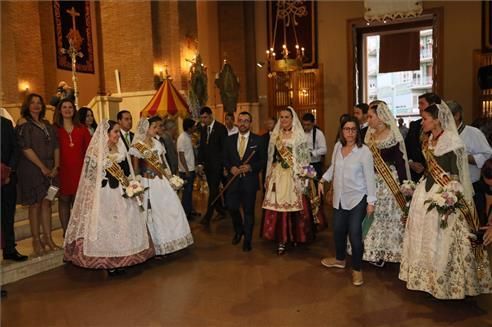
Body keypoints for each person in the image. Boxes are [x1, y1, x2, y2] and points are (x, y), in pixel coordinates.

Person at [399, 103, 492, 299]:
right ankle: (425, 279)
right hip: (425, 192)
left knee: (443, 238)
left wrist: (449, 196)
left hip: (444, 194)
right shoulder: (428, 139)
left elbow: (456, 174)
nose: (421, 122)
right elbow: (429, 168)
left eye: (425, 119)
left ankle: (446, 281)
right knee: (422, 235)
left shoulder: (452, 141)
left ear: (437, 120)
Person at [64, 120, 154, 274]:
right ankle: (110, 261)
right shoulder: (96, 151)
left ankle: (124, 257)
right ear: (106, 133)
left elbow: (127, 170)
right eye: (116, 132)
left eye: (119, 132)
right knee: (107, 225)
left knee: (123, 223)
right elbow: (89, 175)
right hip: (104, 193)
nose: (118, 135)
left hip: (121, 191)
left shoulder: (121, 147)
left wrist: (132, 185)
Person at [318, 116, 376, 286]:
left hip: (358, 198)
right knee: (337, 230)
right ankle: (340, 259)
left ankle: (357, 270)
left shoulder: (364, 152)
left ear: (357, 132)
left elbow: (370, 179)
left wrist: (371, 202)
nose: (350, 133)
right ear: (342, 131)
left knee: (355, 234)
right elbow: (333, 168)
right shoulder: (337, 147)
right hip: (339, 198)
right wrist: (323, 179)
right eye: (346, 129)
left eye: (353, 129)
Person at [357, 101, 410, 267]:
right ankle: (371, 251)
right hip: (370, 181)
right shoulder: (368, 134)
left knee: (387, 217)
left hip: (388, 183)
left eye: (371, 116)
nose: (368, 119)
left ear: (380, 117)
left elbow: (401, 162)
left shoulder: (392, 135)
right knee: (371, 216)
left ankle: (388, 252)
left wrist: (405, 184)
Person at [130, 117, 194, 255]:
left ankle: (172, 241)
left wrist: (170, 178)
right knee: (153, 215)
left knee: (171, 209)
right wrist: (136, 183)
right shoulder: (137, 146)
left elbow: (163, 163)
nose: (157, 129)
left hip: (161, 182)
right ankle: (156, 246)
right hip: (147, 182)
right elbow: (135, 169)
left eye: (157, 127)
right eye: (154, 127)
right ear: (146, 129)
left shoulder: (158, 143)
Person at [262, 106, 315, 255]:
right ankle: (281, 240)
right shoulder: (275, 135)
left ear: (292, 119)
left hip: (294, 175)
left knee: (296, 207)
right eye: (282, 117)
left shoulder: (299, 135)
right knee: (279, 208)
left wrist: (305, 178)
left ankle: (296, 236)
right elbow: (271, 158)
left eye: (287, 117)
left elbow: (305, 158)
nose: (284, 120)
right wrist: (268, 176)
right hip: (278, 175)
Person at [16, 93, 60, 257]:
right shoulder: (23, 124)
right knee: (35, 204)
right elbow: (25, 148)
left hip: (50, 168)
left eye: (39, 103)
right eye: (32, 103)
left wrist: (56, 165)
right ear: (27, 105)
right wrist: (42, 167)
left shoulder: (47, 125)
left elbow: (56, 146)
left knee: (47, 203)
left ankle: (48, 238)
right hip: (32, 168)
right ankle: (36, 240)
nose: (36, 105)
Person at [223, 112, 265, 252]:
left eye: (246, 121)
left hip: (249, 182)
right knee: (231, 207)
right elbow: (225, 158)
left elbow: (264, 161)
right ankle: (238, 229)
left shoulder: (258, 141)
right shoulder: (229, 140)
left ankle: (247, 239)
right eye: (240, 120)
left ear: (250, 123)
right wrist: (230, 168)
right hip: (233, 181)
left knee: (248, 211)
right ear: (237, 122)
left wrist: (251, 167)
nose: (243, 123)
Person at [448, 100, 492, 225]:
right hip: (450, 188)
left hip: (473, 187)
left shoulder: (474, 133)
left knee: (473, 225)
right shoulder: (443, 134)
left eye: (447, 115)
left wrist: (464, 157)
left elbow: (488, 156)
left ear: (457, 115)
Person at [53, 99, 91, 235]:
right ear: (59, 110)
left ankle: (77, 233)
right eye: (64, 107)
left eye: (70, 107)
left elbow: (89, 151)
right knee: (63, 200)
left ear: (74, 110)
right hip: (62, 170)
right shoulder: (54, 129)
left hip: (79, 171)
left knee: (77, 202)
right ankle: (66, 233)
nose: (67, 109)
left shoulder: (82, 129)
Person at [1, 116, 28, 261]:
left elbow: (15, 148)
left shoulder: (5, 123)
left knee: (7, 215)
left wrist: (8, 170)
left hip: (7, 179)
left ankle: (9, 249)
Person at [197, 106, 228, 227]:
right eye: (202, 118)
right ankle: (221, 210)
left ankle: (207, 217)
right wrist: (200, 163)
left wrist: (225, 165)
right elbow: (202, 148)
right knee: (213, 190)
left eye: (205, 117)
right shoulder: (204, 130)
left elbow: (225, 149)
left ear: (211, 116)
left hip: (218, 166)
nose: (203, 120)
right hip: (208, 167)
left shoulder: (221, 128)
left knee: (213, 191)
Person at [405, 92, 441, 182]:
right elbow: (406, 148)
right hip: (414, 177)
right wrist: (410, 163)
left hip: (436, 177)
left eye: (422, 104)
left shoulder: (442, 130)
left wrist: (425, 167)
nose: (419, 107)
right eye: (418, 104)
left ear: (432, 105)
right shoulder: (414, 125)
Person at [178, 118, 198, 219]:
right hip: (186, 171)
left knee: (190, 192)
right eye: (193, 126)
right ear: (189, 128)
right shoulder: (182, 138)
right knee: (186, 193)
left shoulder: (188, 136)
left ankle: (190, 210)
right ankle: (186, 213)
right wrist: (186, 170)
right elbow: (181, 155)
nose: (195, 127)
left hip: (190, 168)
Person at [302, 112, 327, 179]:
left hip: (315, 164)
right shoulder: (300, 133)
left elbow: (324, 150)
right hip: (303, 164)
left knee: (316, 186)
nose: (306, 127)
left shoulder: (319, 133)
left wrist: (312, 153)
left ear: (313, 123)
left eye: (308, 125)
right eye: (304, 125)